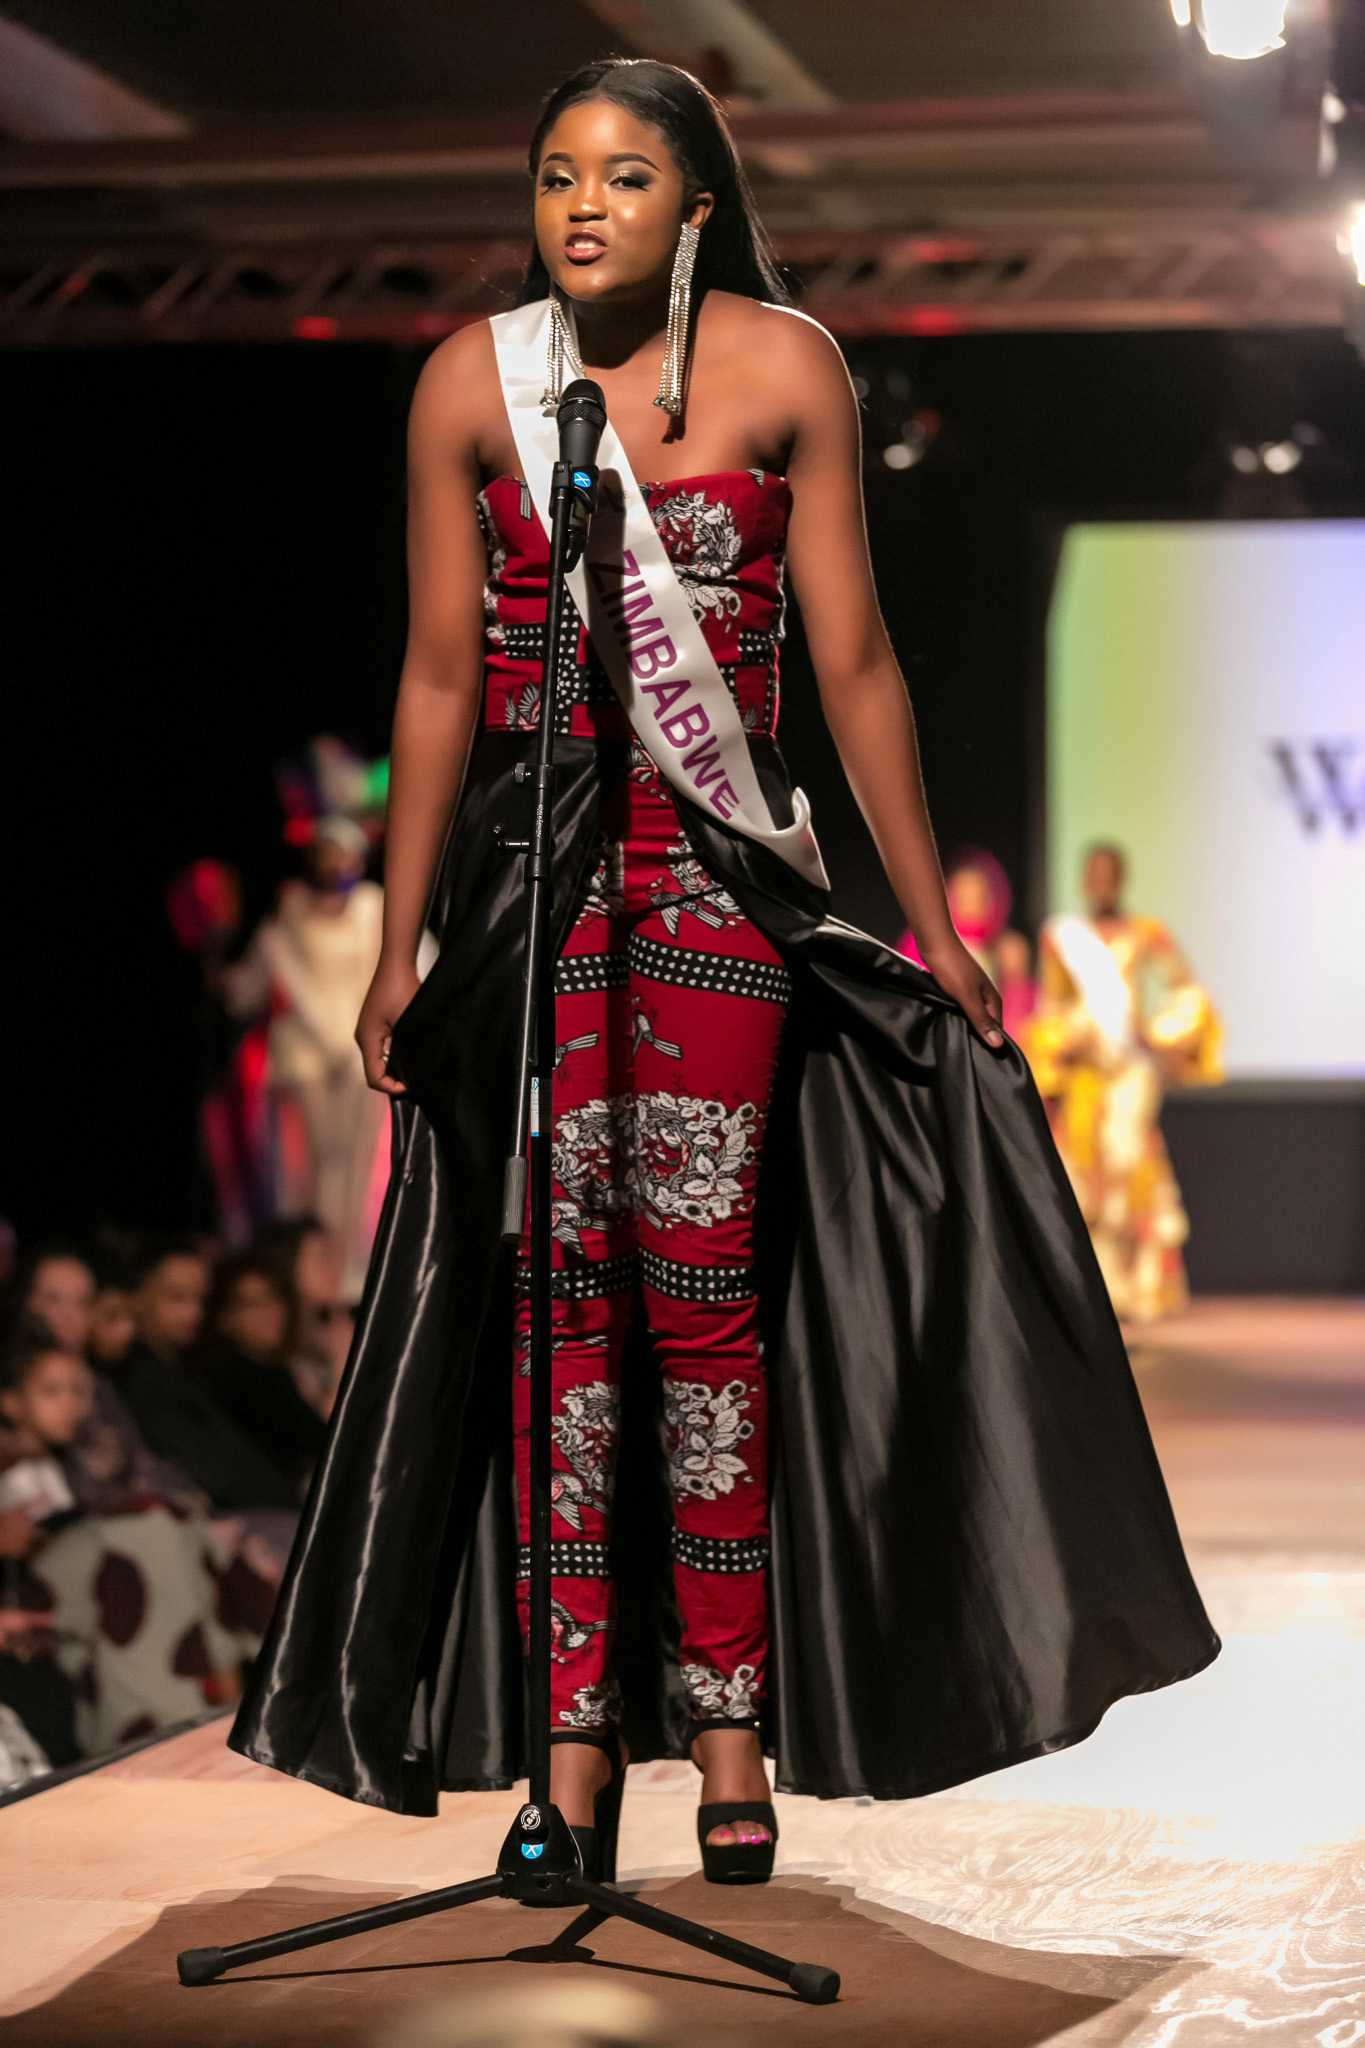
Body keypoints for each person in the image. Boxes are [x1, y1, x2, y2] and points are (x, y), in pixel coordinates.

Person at [233, 60, 1216, 1883]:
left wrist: (927, 923)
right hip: (536, 898)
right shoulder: (472, 384)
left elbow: (855, 664)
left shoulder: (786, 369)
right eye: (554, 175)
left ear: (695, 205)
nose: (580, 205)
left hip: (715, 887)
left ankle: (729, 1724)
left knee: (696, 1305)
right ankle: (570, 1745)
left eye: (622, 176)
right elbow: (438, 675)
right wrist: (397, 942)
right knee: (558, 1313)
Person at [1026, 843, 1222, 1323]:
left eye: (1108, 873)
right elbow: (1051, 1005)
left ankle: (1137, 1288)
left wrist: (1158, 1037)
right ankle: (1098, 1288)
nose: (1101, 882)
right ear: (1082, 881)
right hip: (1085, 1070)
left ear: (1120, 879)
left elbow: (1188, 991)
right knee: (1084, 1167)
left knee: (1127, 1158)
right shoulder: (1062, 938)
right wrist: (1064, 1041)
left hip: (1131, 1069)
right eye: (1093, 874)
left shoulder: (1147, 933)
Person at [111, 1240, 301, 1518]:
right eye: (178, 1297)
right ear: (137, 1297)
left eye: (200, 1299)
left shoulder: (185, 1371)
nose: (194, 1312)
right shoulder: (141, 1381)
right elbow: (216, 1476)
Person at [192, 1250, 327, 1493]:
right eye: (252, 1304)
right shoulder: (239, 1381)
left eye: (274, 1298)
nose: (269, 1313)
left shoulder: (273, 1369)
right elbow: (319, 1440)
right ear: (224, 1318)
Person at [898, 848, 1034, 1041]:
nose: (970, 907)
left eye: (977, 898)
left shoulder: (1006, 947)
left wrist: (1014, 976)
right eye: (963, 897)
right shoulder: (925, 939)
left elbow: (1019, 1014)